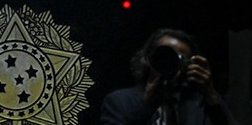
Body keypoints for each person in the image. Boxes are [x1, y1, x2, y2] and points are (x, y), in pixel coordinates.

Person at [100, 28, 239, 125]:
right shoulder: (120, 101)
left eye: (180, 59)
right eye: (165, 56)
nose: (171, 63)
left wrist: (211, 95)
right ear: (148, 59)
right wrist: (147, 104)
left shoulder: (199, 105)